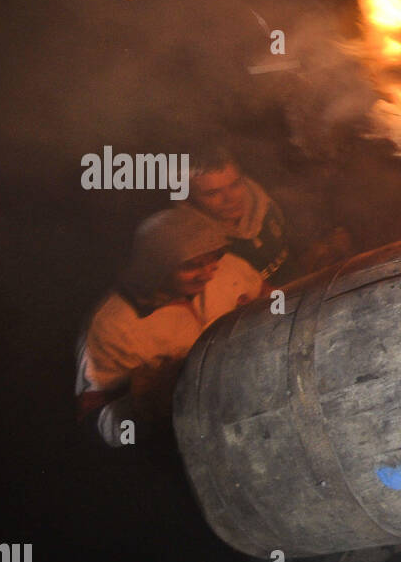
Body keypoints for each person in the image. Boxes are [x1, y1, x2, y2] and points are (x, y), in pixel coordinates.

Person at [76, 209, 264, 446]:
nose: (207, 274)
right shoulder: (111, 326)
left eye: (213, 259)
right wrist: (147, 402)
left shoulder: (226, 269)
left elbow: (269, 296)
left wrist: (259, 313)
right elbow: (93, 422)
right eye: (192, 266)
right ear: (156, 266)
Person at [185, 148, 299, 286]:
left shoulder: (265, 202)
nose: (230, 198)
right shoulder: (195, 249)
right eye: (212, 193)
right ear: (190, 198)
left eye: (235, 185)